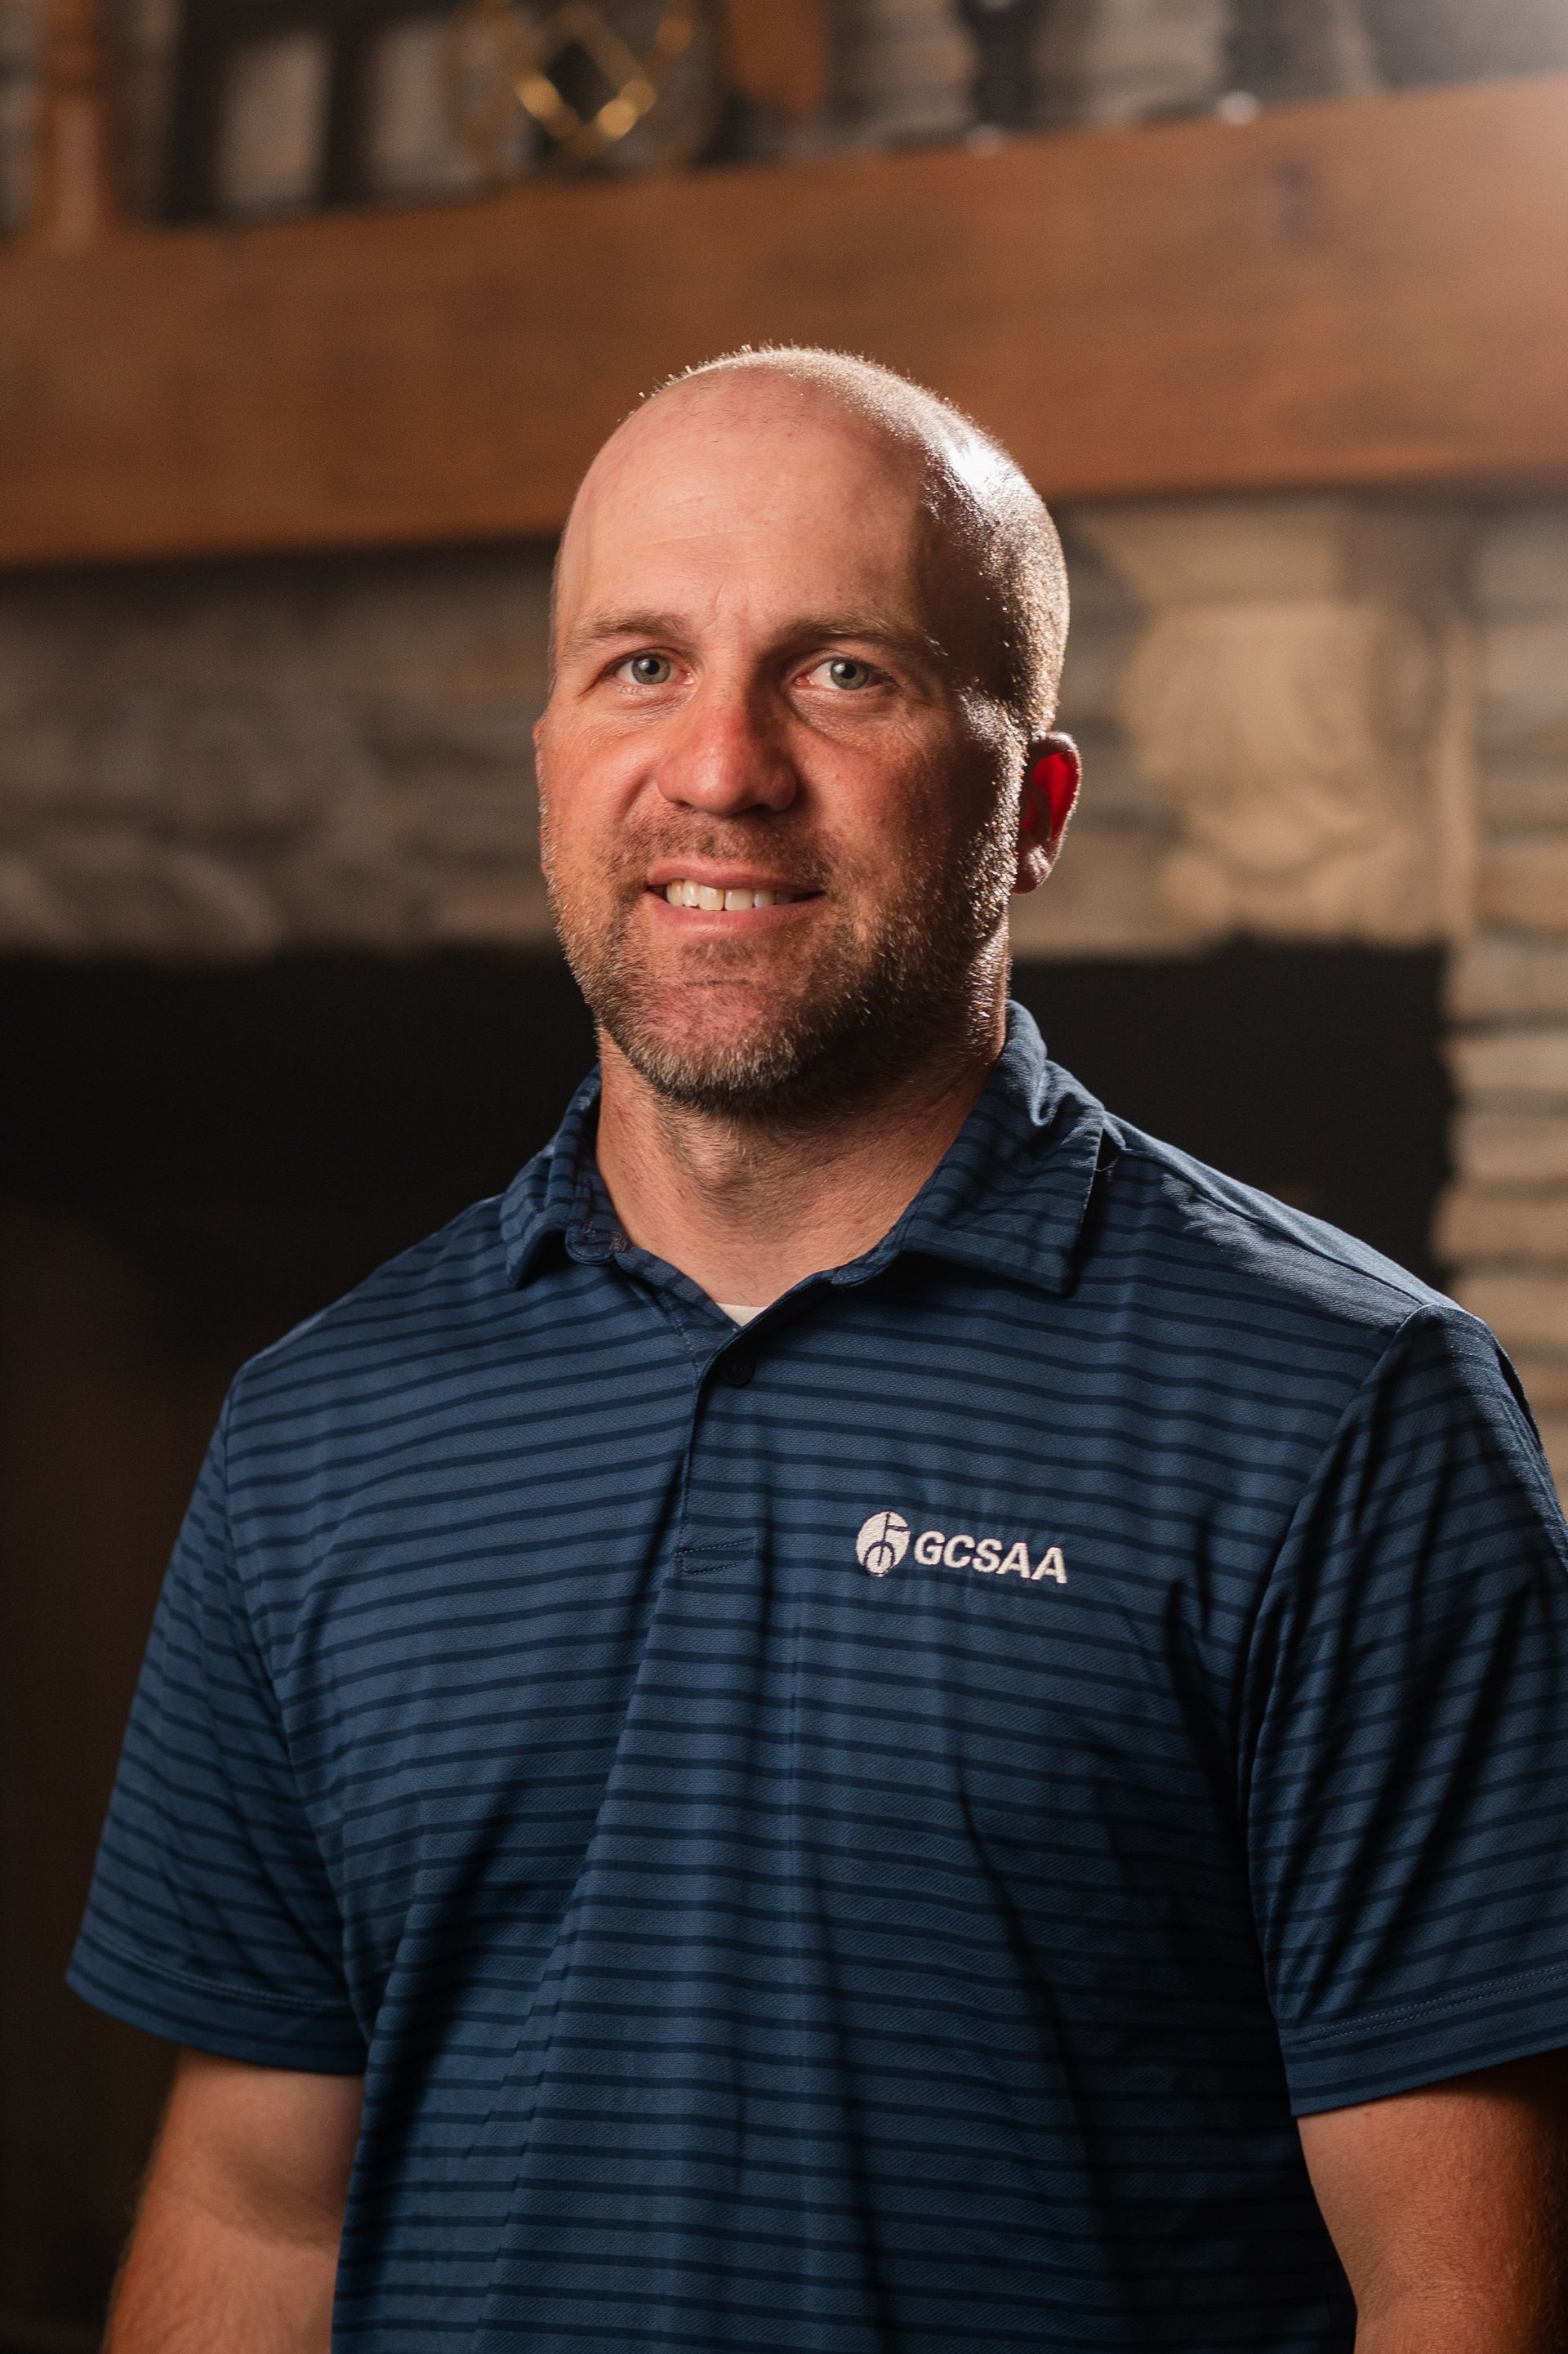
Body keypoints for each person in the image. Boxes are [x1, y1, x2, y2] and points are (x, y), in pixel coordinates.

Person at [74, 347, 1568, 2354]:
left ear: (1031, 810)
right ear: (546, 764)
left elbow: (1463, 2295)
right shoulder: (324, 1431)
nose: (720, 767)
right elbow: (259, 2221)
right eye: (640, 665)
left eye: (842, 670)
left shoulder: (1345, 1416)